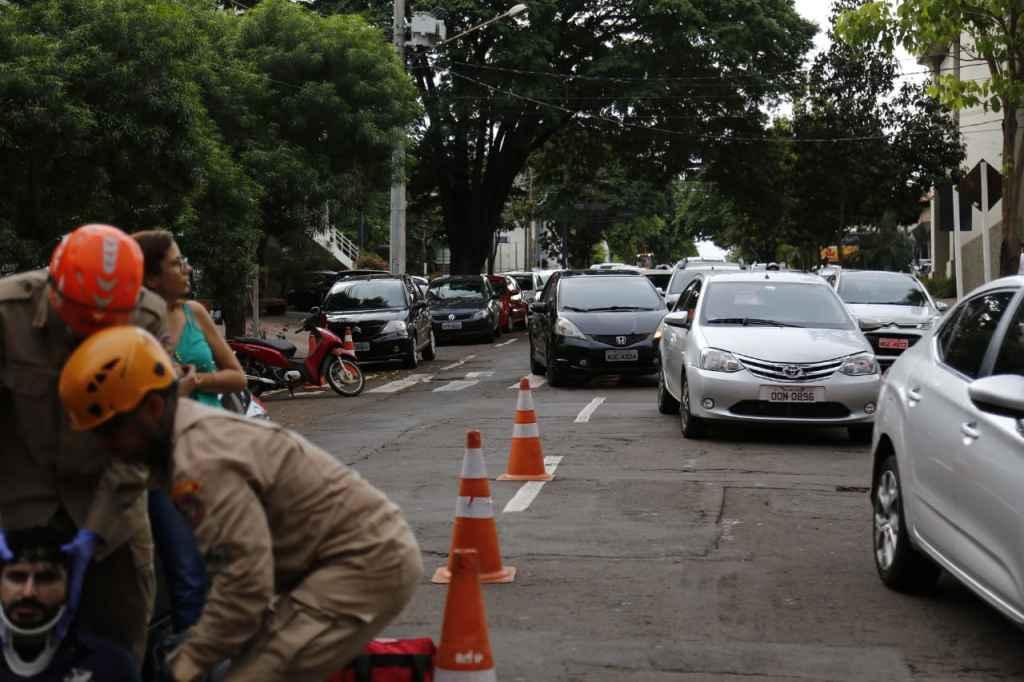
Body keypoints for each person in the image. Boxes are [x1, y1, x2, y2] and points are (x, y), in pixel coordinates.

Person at [58, 327, 422, 682]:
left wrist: (189, 661)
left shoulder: (199, 461)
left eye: (110, 431)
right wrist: (89, 540)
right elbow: (123, 482)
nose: (106, 446)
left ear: (152, 407)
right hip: (316, 567)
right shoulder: (170, 436)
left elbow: (246, 584)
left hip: (363, 563)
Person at [0, 224, 168, 664]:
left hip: (110, 505)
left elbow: (143, 445)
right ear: (53, 289)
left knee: (121, 642)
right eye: (80, 316)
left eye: (106, 321)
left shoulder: (147, 318)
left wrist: (95, 530)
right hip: (14, 505)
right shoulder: (5, 314)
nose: (90, 329)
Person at [131, 230, 246, 635]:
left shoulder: (196, 313)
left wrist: (198, 384)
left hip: (211, 453)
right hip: (163, 466)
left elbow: (237, 376)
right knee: (187, 574)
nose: (187, 269)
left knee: (228, 568)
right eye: (177, 264)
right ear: (150, 278)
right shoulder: (130, 327)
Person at [0, 527, 141, 681]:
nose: (28, 592)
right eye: (17, 577)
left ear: (71, 585)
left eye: (45, 578)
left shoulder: (111, 667)